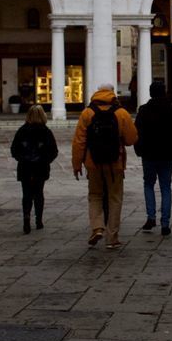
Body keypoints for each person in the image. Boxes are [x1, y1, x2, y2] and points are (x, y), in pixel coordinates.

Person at [72, 84, 137, 250]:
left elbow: (79, 141)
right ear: (112, 93)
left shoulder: (87, 113)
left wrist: (77, 164)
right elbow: (131, 139)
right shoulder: (121, 113)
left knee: (95, 195)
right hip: (115, 163)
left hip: (93, 162)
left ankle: (97, 227)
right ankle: (112, 238)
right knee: (115, 198)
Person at [136, 80, 172, 236]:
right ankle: (165, 223)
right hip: (168, 154)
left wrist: (140, 150)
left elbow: (137, 131)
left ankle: (151, 217)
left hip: (149, 154)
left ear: (150, 93)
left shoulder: (144, 110)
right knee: (165, 187)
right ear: (164, 92)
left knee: (148, 184)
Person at [10, 103, 58, 233]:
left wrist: (22, 159)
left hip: (25, 167)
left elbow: (14, 150)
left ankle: (26, 217)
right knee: (38, 193)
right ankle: (39, 220)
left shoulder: (22, 130)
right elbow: (54, 151)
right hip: (40, 167)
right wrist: (45, 160)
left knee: (26, 193)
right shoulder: (46, 131)